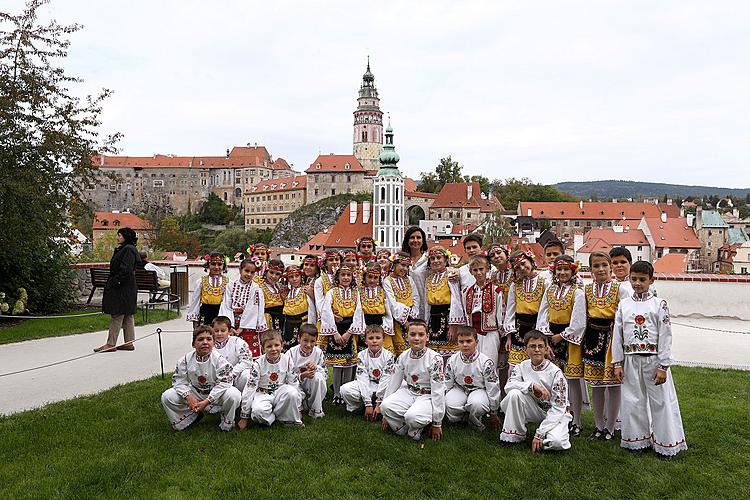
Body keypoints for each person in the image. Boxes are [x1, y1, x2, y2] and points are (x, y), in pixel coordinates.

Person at [613, 261, 687, 457]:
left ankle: (666, 443)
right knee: (632, 400)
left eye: (642, 280)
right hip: (630, 360)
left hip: (653, 360)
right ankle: (638, 441)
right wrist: (617, 363)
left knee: (660, 401)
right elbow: (617, 334)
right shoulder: (624, 304)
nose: (637, 283)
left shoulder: (659, 304)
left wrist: (663, 365)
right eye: (634, 279)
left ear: (651, 280)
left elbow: (665, 334)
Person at [536, 254, 586, 436]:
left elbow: (579, 321)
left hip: (570, 341)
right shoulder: (549, 290)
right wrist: (546, 338)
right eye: (559, 269)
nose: (563, 272)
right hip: (551, 339)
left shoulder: (578, 292)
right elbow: (542, 314)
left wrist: (562, 336)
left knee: (572, 382)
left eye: (566, 269)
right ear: (554, 272)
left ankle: (577, 420)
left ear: (573, 271)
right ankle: (554, 416)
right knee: (554, 380)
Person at [500, 330, 572, 452]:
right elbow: (508, 386)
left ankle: (552, 432)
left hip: (554, 412)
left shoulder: (556, 373)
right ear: (525, 349)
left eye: (540, 346)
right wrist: (531, 386)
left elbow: (559, 407)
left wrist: (540, 433)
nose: (537, 350)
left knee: (557, 443)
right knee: (514, 394)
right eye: (532, 346)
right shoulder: (521, 366)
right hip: (533, 408)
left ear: (546, 349)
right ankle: (514, 435)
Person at [160, 325, 241, 432]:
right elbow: (179, 380)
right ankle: (190, 418)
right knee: (167, 396)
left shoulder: (220, 361)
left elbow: (225, 383)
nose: (205, 342)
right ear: (193, 344)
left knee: (234, 395)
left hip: (216, 393)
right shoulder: (185, 360)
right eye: (200, 339)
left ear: (214, 343)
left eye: (209, 339)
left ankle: (226, 422)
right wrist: (188, 396)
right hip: (196, 391)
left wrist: (207, 401)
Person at [583, 251, 628, 441]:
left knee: (613, 385)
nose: (601, 269)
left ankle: (610, 426)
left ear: (610, 267)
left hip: (612, 338)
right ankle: (598, 425)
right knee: (596, 385)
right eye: (596, 266)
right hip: (592, 338)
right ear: (591, 269)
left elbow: (626, 318)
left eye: (604, 265)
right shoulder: (586, 290)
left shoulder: (620, 289)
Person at [381, 319, 446, 441]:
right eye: (412, 334)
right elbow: (394, 382)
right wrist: (385, 414)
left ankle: (416, 428)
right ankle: (403, 427)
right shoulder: (403, 356)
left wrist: (437, 423)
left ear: (427, 337)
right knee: (385, 406)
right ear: (406, 337)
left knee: (412, 417)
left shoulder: (435, 358)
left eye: (421, 335)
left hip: (427, 395)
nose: (416, 338)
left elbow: (438, 391)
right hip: (409, 391)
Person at [238, 330, 303, 429]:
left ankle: (286, 418)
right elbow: (250, 388)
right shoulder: (258, 364)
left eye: (276, 345)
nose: (273, 349)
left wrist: (298, 407)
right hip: (262, 393)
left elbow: (293, 383)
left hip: (280, 392)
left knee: (291, 392)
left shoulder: (288, 360)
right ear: (263, 349)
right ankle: (274, 417)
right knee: (258, 413)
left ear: (282, 345)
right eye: (269, 346)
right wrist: (244, 416)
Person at [319, 264, 364, 405]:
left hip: (351, 329)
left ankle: (346, 392)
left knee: (350, 363)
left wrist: (349, 332)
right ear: (337, 277)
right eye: (342, 275)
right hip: (336, 329)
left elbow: (359, 312)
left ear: (352, 277)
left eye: (348, 275)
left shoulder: (356, 293)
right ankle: (337, 393)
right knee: (337, 364)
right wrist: (336, 333)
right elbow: (326, 311)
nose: (345, 277)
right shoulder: (332, 292)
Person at [444, 326, 502, 431]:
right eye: (461, 342)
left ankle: (474, 421)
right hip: (460, 388)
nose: (465, 345)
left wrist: (494, 412)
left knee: (477, 404)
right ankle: (459, 420)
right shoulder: (452, 360)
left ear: (476, 342)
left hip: (479, 389)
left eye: (468, 341)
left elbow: (493, 387)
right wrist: (444, 398)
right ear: (457, 343)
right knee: (450, 403)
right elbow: (447, 382)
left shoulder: (486, 362)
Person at [96, 227, 142, 353]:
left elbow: (125, 269)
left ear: (125, 236)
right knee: (127, 314)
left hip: (123, 287)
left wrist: (116, 282)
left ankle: (111, 344)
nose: (118, 237)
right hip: (127, 286)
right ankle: (129, 342)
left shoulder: (128, 250)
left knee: (118, 313)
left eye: (119, 235)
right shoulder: (128, 249)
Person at [455, 255, 502, 367]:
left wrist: (501, 333)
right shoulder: (467, 291)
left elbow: (500, 313)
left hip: (490, 333)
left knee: (489, 364)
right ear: (471, 272)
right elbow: (467, 314)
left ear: (487, 269)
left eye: (481, 269)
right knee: (473, 365)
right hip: (473, 333)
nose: (479, 273)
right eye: (475, 270)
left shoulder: (496, 290)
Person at [503, 250, 547, 367]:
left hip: (537, 327)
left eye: (523, 263)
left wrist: (543, 335)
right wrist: (509, 337)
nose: (522, 268)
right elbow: (510, 311)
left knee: (536, 366)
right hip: (519, 330)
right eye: (517, 267)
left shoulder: (544, 282)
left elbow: (545, 310)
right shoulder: (515, 285)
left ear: (531, 261)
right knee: (514, 368)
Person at [341, 324, 395, 419]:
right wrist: (368, 403)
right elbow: (362, 378)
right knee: (345, 390)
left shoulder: (388, 356)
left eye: (378, 338)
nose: (374, 341)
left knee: (399, 387)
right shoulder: (361, 355)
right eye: (370, 338)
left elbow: (386, 379)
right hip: (368, 384)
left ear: (383, 339)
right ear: (365, 340)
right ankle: (360, 407)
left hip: (383, 385)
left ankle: (380, 406)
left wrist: (379, 401)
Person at [423, 245, 464, 361]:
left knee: (449, 355)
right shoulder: (429, 279)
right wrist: (426, 323)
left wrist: (453, 325)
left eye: (439, 258)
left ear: (446, 260)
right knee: (434, 355)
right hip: (433, 320)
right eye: (433, 258)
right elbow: (427, 304)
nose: (436, 261)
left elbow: (456, 300)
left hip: (447, 317)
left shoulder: (451, 275)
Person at [219, 258, 265, 358]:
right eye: (246, 271)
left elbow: (252, 308)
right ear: (240, 270)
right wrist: (229, 325)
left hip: (248, 325)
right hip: (232, 322)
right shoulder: (230, 285)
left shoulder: (255, 288)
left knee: (249, 353)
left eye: (252, 272)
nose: (249, 274)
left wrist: (241, 327)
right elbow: (226, 305)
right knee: (232, 352)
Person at [383, 251, 420, 356]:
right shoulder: (387, 281)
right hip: (397, 321)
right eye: (402, 265)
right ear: (394, 264)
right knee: (400, 353)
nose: (404, 268)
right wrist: (405, 321)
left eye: (407, 266)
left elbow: (416, 297)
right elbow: (392, 304)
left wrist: (413, 316)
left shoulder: (409, 279)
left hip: (411, 320)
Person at [488, 243, 513, 394]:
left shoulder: (515, 274)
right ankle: (501, 395)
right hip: (497, 322)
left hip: (513, 320)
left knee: (513, 362)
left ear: (507, 253)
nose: (496, 257)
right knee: (499, 361)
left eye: (499, 253)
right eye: (492, 255)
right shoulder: (493, 276)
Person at [287, 324, 327, 419]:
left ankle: (315, 409)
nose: (309, 345)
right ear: (298, 338)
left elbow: (325, 373)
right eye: (305, 340)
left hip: (311, 385)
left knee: (318, 377)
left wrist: (316, 368)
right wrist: (302, 375)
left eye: (312, 341)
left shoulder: (319, 352)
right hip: (296, 385)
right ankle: (302, 404)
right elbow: (287, 376)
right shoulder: (291, 353)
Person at [186, 252, 229, 328]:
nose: (216, 267)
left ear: (224, 266)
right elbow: (195, 302)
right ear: (208, 265)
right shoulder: (200, 282)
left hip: (221, 314)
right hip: (205, 314)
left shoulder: (229, 282)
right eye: (213, 264)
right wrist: (195, 321)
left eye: (219, 264)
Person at [359, 262, 394, 351]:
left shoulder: (383, 291)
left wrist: (385, 326)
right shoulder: (358, 291)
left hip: (380, 326)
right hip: (364, 325)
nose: (372, 280)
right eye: (369, 277)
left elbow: (388, 311)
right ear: (364, 276)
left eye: (375, 277)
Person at [212, 316, 252, 390]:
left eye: (223, 331)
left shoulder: (238, 342)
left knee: (247, 374)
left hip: (236, 376)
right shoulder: (209, 345)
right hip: (217, 379)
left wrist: (231, 373)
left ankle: (244, 398)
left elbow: (247, 361)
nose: (219, 333)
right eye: (216, 331)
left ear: (230, 331)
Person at [282, 265, 315, 350]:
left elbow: (313, 307)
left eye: (297, 276)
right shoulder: (286, 293)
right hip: (288, 324)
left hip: (302, 323)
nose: (294, 279)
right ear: (287, 279)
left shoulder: (306, 290)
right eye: (291, 277)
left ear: (301, 276)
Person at [402, 226, 429, 321]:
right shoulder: (400, 259)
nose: (415, 240)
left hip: (424, 301)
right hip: (405, 303)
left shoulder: (428, 260)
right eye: (412, 237)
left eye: (418, 237)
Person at [259, 259, 285, 332]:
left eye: (277, 274)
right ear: (266, 272)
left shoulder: (280, 287)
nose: (273, 276)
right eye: (271, 272)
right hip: (265, 320)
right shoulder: (259, 285)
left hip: (279, 321)